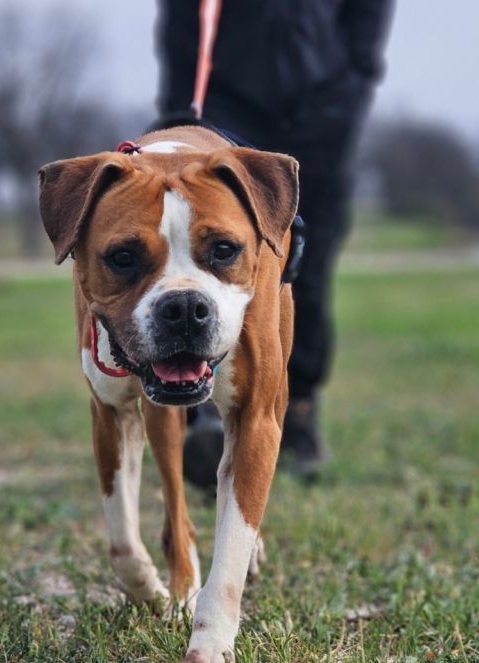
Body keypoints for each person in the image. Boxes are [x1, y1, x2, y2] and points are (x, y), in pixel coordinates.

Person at [156, 0, 395, 482]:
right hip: (228, 104)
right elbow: (184, 17)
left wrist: (356, 76)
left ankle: (299, 412)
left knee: (310, 261)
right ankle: (207, 411)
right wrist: (180, 106)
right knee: (212, 256)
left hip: (323, 105)